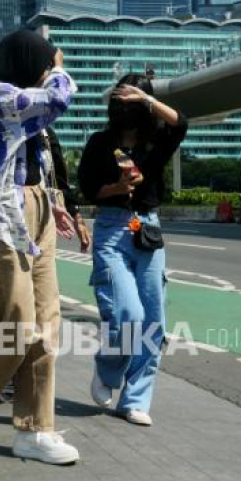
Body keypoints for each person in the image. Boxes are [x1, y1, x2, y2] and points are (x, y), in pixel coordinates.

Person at [0, 29, 80, 465]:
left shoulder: (20, 100)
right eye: (42, 64)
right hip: (4, 216)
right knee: (20, 324)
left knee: (47, 326)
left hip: (38, 208)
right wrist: (58, 68)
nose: (47, 72)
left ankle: (35, 431)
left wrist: (55, 204)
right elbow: (59, 98)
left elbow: (38, 160)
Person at [77, 74, 187, 427]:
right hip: (111, 228)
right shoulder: (99, 142)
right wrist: (118, 186)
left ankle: (135, 399)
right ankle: (109, 371)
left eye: (133, 102)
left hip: (148, 229)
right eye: (120, 101)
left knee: (153, 322)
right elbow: (89, 189)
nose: (125, 108)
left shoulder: (156, 143)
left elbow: (181, 123)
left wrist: (147, 98)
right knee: (127, 315)